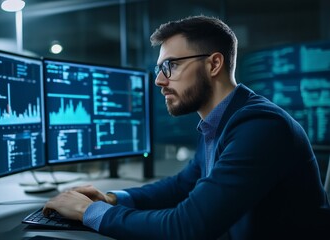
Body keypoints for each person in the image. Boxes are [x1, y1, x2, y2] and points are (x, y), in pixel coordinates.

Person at [43, 15, 330, 239]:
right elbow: (182, 186)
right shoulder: (221, 121)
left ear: (214, 64)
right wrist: (112, 198)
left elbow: (186, 227)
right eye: (159, 69)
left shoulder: (260, 127)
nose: (159, 81)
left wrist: (88, 211)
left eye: (171, 66)